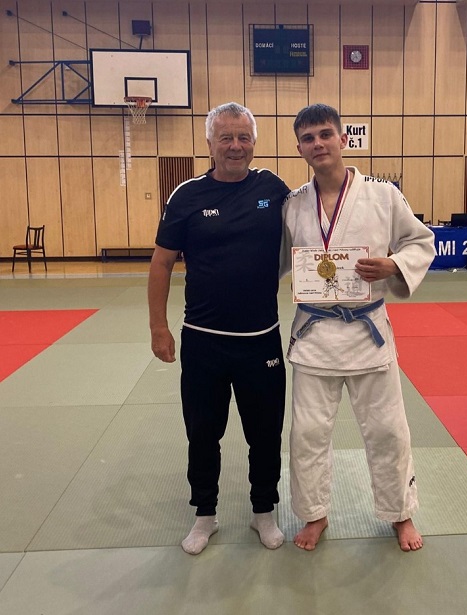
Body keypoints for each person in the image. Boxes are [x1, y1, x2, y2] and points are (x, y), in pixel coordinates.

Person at [281, 103, 435, 552]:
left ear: (343, 139)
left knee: (388, 430)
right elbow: (274, 260)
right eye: (308, 138)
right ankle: (314, 513)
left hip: (368, 331)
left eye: (325, 134)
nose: (318, 144)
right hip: (314, 334)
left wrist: (393, 265)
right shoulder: (293, 204)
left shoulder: (383, 195)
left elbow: (420, 240)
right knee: (307, 433)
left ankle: (400, 513)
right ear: (299, 148)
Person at [148, 102, 291, 555]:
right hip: (203, 341)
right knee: (203, 433)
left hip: (260, 340)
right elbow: (161, 263)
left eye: (243, 137)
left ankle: (263, 511)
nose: (235, 146)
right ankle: (204, 515)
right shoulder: (186, 196)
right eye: (225, 137)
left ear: (254, 143)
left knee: (265, 434)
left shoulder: (274, 189)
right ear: (209, 143)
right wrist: (158, 327)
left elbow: (314, 230)